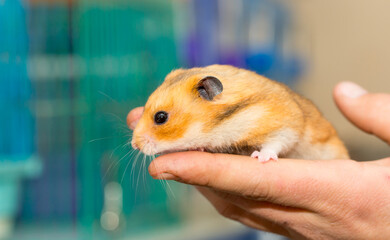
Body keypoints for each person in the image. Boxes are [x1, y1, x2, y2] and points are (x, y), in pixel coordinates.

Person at [127, 81, 390, 239]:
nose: (136, 142)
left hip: (327, 155)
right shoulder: (222, 126)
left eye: (160, 119)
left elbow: (290, 123)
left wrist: (271, 148)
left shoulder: (258, 106)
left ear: (207, 90)